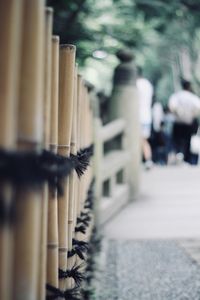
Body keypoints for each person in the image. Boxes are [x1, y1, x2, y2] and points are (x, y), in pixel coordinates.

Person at [168, 79, 200, 164]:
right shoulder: (192, 97)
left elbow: (171, 106)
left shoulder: (177, 96)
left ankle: (179, 155)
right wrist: (193, 114)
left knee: (178, 140)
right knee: (187, 140)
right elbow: (198, 107)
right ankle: (186, 158)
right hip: (189, 122)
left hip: (178, 122)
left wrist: (178, 113)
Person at [136, 67, 154, 169]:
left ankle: (137, 161)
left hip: (137, 116)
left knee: (137, 139)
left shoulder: (136, 84)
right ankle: (148, 161)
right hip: (147, 116)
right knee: (144, 140)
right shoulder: (148, 84)